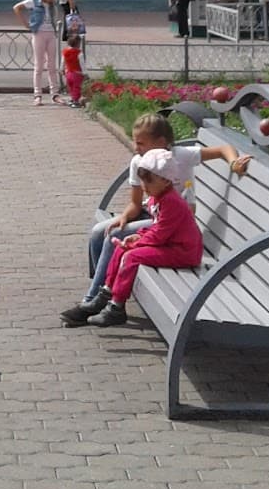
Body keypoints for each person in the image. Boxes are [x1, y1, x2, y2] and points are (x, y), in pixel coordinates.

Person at [60, 112, 250, 326]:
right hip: (157, 219)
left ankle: (99, 300)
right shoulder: (142, 165)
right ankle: (102, 294)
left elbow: (222, 151)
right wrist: (123, 218)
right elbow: (136, 203)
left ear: (160, 143)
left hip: (173, 228)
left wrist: (234, 163)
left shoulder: (180, 158)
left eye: (140, 143)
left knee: (119, 241)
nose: (135, 147)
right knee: (100, 233)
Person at [91, 148, 206, 329]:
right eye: (143, 180)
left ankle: (117, 307)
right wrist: (137, 236)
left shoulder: (171, 202)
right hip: (170, 244)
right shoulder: (157, 197)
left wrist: (137, 243)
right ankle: (106, 292)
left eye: (149, 181)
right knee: (121, 248)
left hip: (184, 251)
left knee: (131, 256)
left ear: (165, 179)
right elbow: (156, 228)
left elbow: (160, 234)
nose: (144, 186)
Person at [13, 0, 64, 105]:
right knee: (39, 65)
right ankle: (38, 95)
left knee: (52, 66)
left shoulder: (52, 3)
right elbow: (17, 8)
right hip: (39, 34)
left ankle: (55, 94)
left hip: (51, 34)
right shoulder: (34, 1)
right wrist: (26, 24)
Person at [61, 40, 85, 106]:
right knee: (77, 87)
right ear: (78, 44)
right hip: (77, 73)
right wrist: (85, 73)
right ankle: (75, 101)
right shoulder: (79, 53)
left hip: (68, 73)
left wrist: (62, 69)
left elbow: (62, 62)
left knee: (71, 87)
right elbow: (82, 64)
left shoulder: (65, 51)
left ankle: (72, 98)